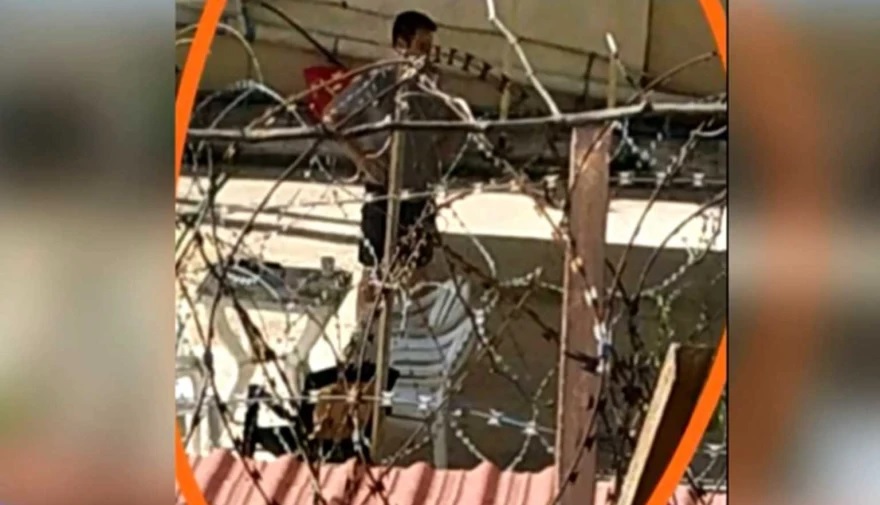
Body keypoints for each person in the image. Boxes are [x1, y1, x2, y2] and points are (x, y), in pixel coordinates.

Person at [322, 10, 462, 336]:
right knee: (374, 271)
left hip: (419, 190)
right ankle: (363, 337)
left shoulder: (432, 84)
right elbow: (332, 117)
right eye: (422, 46)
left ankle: (415, 337)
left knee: (417, 271)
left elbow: (456, 120)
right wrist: (362, 158)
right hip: (382, 190)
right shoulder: (377, 81)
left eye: (430, 48)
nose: (427, 55)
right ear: (401, 45)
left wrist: (441, 155)